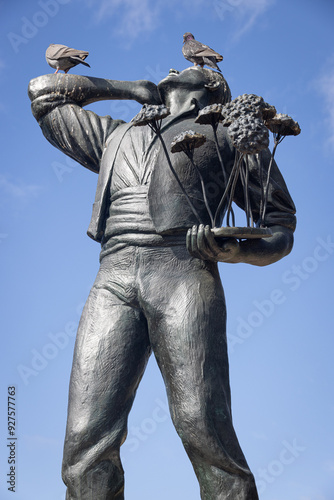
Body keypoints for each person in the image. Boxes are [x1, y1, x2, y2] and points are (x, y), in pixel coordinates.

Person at [28, 66, 296, 500]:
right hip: (112, 278)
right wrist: (128, 89)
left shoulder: (227, 131)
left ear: (210, 89)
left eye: (189, 67)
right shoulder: (115, 135)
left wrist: (236, 250)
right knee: (84, 440)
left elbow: (281, 227)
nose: (173, 65)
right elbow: (43, 95)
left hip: (183, 273)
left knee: (201, 424)